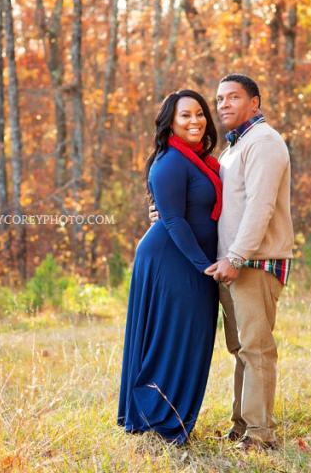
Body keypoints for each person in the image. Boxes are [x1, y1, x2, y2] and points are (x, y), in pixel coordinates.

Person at [150, 74, 294, 451]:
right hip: (231, 265)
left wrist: (236, 256)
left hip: (253, 263)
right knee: (241, 349)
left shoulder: (263, 142)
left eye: (234, 97)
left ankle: (259, 435)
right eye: (220, 98)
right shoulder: (234, 148)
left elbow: (260, 208)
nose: (224, 104)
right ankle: (241, 426)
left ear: (255, 103)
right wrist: (162, 212)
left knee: (256, 348)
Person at [118, 89, 222, 445]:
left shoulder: (197, 159)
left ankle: (171, 416)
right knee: (175, 338)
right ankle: (159, 419)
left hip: (188, 259)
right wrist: (205, 266)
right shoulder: (171, 162)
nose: (195, 121)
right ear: (170, 124)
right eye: (185, 116)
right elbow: (174, 221)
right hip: (173, 260)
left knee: (190, 338)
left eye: (199, 114)